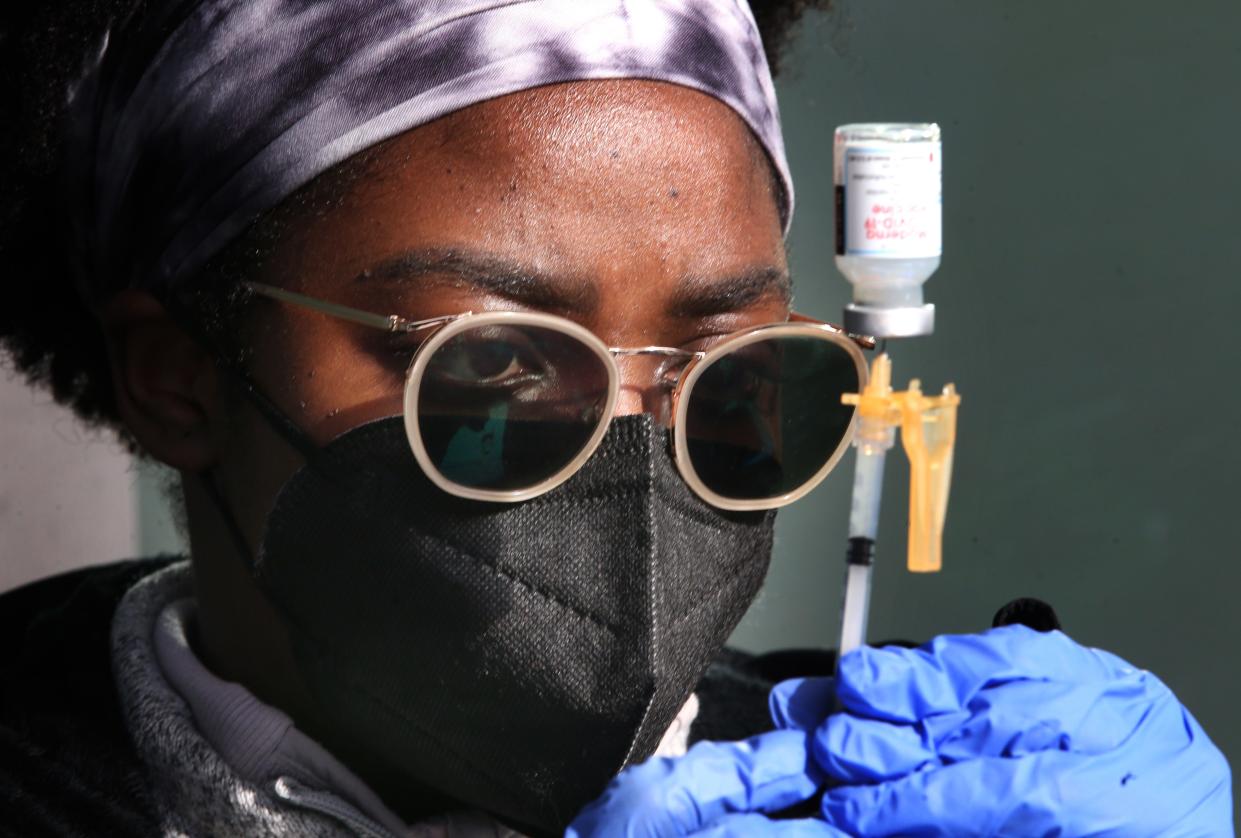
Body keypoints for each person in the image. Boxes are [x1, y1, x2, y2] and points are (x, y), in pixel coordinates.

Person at [0, 1, 1230, 836]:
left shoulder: (875, 779)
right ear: (178, 373)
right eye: (496, 367)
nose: (634, 472)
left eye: (731, 371)